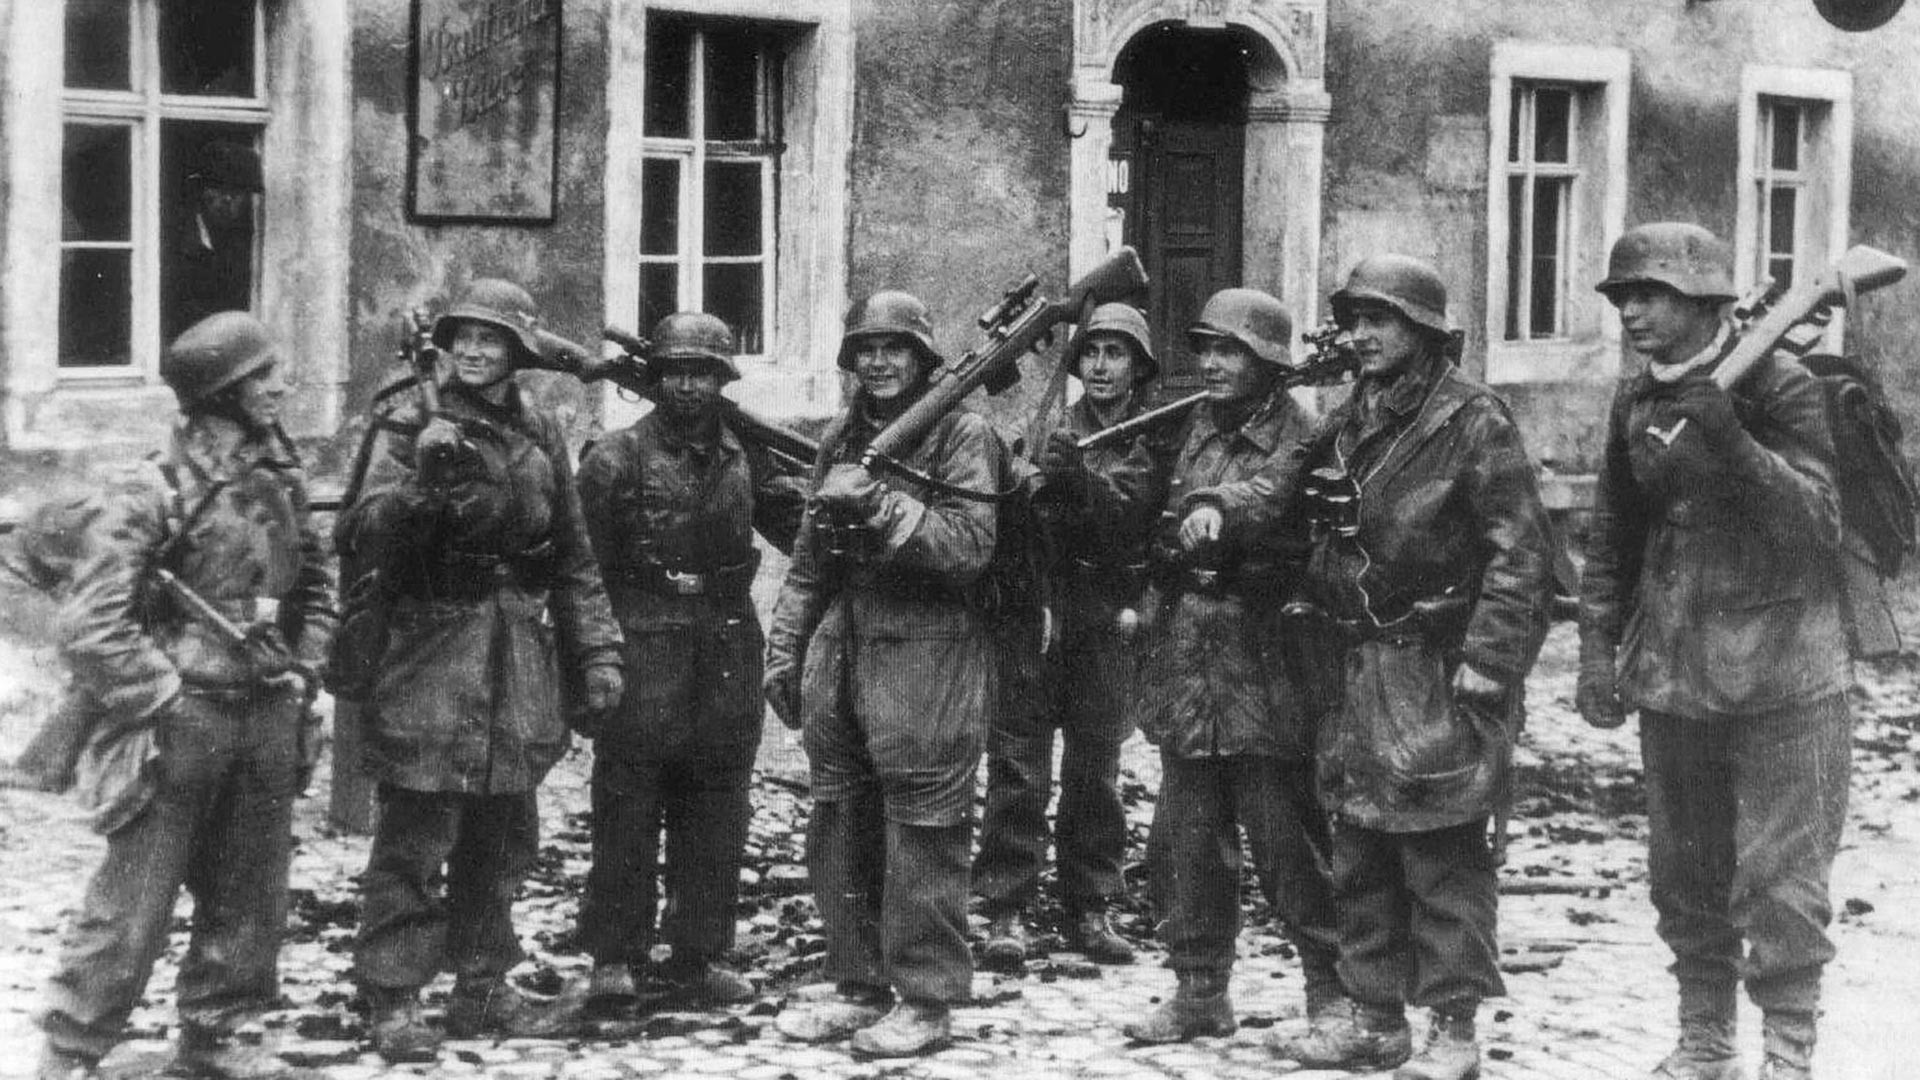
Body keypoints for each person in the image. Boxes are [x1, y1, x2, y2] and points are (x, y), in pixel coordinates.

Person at [1578, 224, 1850, 1080]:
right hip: (1673, 671)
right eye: (1624, 297)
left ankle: (1787, 1053)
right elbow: (1614, 534)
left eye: (1650, 296)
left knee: (1780, 879)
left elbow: (1819, 524)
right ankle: (1706, 1040)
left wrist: (1734, 441)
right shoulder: (1638, 396)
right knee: (1684, 875)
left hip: (1783, 674)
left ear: (1704, 302)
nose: (1632, 313)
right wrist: (1597, 650)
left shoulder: (1779, 383)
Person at [35, 312, 336, 1080]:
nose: (280, 388)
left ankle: (219, 1034)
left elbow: (316, 589)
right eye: (263, 377)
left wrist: (304, 672)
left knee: (251, 892)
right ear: (221, 393)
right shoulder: (152, 490)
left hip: (266, 708)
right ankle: (72, 1047)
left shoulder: (279, 480)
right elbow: (92, 626)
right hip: (182, 718)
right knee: (133, 902)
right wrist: (164, 693)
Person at [1279, 256, 1555, 1080]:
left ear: (1425, 331)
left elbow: (1521, 555)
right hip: (1354, 663)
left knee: (1442, 856)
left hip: (1435, 666)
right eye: (1355, 320)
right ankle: (1374, 1019)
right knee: (1360, 849)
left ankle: (1454, 1031)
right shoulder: (1350, 416)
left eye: (1381, 320)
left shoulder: (1471, 420)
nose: (1362, 336)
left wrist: (1491, 660)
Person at [338, 279, 624, 1062]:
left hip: (516, 653)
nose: (472, 350)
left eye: (490, 339)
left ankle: (483, 985)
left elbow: (572, 555)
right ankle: (395, 995)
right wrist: (423, 485)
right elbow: (362, 536)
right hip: (432, 648)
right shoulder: (407, 418)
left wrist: (596, 651)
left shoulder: (539, 427)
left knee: (503, 831)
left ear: (516, 351)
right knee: (417, 830)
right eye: (461, 336)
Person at [1095, 288, 1340, 1043]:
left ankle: (1331, 992)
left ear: (1268, 362)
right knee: (1189, 840)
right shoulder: (1192, 425)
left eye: (1229, 350)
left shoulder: (1307, 433)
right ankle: (1200, 989)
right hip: (1188, 652)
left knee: (1287, 841)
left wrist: (1223, 515)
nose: (1211, 363)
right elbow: (1151, 516)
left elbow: (1286, 508)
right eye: (1205, 348)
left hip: (1264, 658)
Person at [765, 291, 1004, 1058]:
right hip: (848, 637)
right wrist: (787, 647)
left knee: (924, 824)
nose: (878, 362)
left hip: (930, 641)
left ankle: (927, 998)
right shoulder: (845, 434)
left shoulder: (962, 434)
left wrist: (882, 504)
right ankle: (857, 981)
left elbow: (969, 548)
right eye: (865, 349)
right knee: (840, 817)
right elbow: (809, 561)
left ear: (922, 357)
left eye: (894, 348)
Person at [574, 312, 802, 1009]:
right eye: (675, 372)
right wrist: (592, 656)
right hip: (645, 635)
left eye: (703, 373)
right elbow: (580, 568)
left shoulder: (747, 456)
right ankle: (616, 953)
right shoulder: (615, 457)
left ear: (722, 380)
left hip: (727, 639)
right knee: (629, 798)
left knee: (718, 799)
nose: (688, 387)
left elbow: (798, 530)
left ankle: (700, 953)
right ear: (655, 379)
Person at [974, 303, 1159, 968]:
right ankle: (1007, 907)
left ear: (1139, 366)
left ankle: (1091, 903)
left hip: (1106, 614)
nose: (1102, 367)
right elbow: (1013, 518)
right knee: (1018, 764)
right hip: (1041, 610)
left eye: (1117, 354)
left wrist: (1081, 483)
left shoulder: (1153, 437)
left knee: (1095, 769)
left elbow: (1136, 514)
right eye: (1092, 353)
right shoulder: (1050, 425)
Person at [164, 139, 261, 344]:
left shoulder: (248, 244)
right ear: (200, 191)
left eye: (238, 192)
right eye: (218, 188)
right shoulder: (172, 240)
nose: (227, 199)